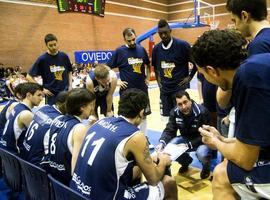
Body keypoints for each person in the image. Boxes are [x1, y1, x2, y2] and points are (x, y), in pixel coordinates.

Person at [192, 29, 270, 199]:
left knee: (221, 175)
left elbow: (245, 159)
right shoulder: (256, 65)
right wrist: (222, 140)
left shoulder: (248, 78)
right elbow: (258, 140)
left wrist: (215, 142)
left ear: (212, 71)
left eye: (203, 74)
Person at [70, 88, 177, 200]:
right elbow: (153, 179)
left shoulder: (100, 122)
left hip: (76, 192)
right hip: (104, 196)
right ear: (141, 113)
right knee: (169, 183)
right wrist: (163, 161)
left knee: (137, 168)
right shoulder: (135, 136)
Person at [217, 0, 270, 109]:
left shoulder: (258, 45)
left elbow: (257, 99)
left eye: (234, 20)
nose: (235, 26)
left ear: (244, 16)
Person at [41, 88, 96, 185]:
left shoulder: (57, 119)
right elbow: (76, 169)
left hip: (52, 176)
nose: (92, 108)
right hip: (66, 182)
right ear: (82, 107)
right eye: (91, 105)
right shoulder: (79, 129)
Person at [155, 90, 212, 179]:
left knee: (202, 153)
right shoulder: (174, 112)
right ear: (176, 105)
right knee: (169, 148)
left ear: (190, 100)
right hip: (185, 138)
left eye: (185, 102)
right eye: (180, 104)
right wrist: (162, 143)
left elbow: (206, 135)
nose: (184, 106)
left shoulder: (203, 112)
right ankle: (186, 162)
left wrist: (188, 145)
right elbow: (170, 130)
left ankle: (206, 167)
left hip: (202, 141)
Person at [107, 27, 151, 134]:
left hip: (142, 89)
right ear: (124, 39)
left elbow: (148, 65)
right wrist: (117, 81)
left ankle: (143, 138)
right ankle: (128, 138)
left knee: (144, 115)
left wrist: (148, 77)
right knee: (127, 117)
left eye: (133, 39)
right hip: (127, 91)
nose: (132, 42)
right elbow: (107, 68)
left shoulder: (141, 49)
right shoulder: (119, 51)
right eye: (129, 40)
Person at [152, 19, 196, 120]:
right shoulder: (156, 49)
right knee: (167, 120)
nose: (163, 35)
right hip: (165, 91)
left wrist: (189, 78)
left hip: (179, 90)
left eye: (165, 33)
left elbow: (196, 64)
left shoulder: (182, 45)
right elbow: (156, 68)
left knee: (182, 119)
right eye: (160, 33)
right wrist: (159, 85)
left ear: (170, 31)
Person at [20, 91, 68, 166]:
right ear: (63, 104)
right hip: (37, 164)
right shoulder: (59, 120)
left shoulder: (44, 108)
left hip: (24, 154)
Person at [27, 33, 73, 105]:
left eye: (55, 44)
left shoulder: (64, 56)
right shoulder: (42, 59)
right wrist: (41, 89)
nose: (54, 47)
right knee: (53, 115)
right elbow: (29, 77)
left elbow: (69, 71)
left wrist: (70, 85)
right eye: (50, 45)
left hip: (65, 92)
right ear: (46, 45)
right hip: (51, 95)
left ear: (57, 43)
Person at [0, 82, 43, 154]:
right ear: (28, 95)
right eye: (39, 95)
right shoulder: (26, 114)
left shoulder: (17, 106)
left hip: (4, 148)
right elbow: (39, 136)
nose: (41, 98)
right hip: (13, 153)